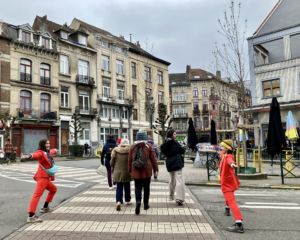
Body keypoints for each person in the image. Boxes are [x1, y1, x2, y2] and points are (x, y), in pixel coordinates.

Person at [25, 139, 57, 223]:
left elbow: (52, 151)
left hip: (46, 178)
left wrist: (56, 150)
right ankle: (31, 216)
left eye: (49, 143)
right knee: (37, 195)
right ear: (42, 144)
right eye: (46, 143)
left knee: (53, 189)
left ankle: (45, 207)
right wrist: (29, 156)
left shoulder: (48, 152)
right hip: (42, 177)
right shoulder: (41, 153)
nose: (48, 144)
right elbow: (35, 155)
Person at [128, 130, 158, 215]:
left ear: (137, 137)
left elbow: (129, 160)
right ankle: (145, 205)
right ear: (145, 137)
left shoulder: (132, 146)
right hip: (147, 171)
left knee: (137, 188)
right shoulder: (148, 146)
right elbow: (153, 159)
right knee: (146, 188)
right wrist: (156, 169)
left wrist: (130, 170)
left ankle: (138, 202)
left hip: (136, 171)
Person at [218, 139, 244, 233]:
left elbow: (230, 161)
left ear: (227, 148)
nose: (220, 148)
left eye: (222, 147)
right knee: (230, 200)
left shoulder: (228, 157)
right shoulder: (224, 156)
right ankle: (227, 209)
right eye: (220, 146)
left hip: (227, 184)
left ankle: (239, 225)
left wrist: (232, 164)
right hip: (229, 182)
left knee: (232, 203)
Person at [160, 129, 186, 206]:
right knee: (179, 180)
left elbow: (163, 151)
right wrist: (183, 147)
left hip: (169, 163)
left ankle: (171, 196)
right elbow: (182, 150)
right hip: (177, 162)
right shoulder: (175, 142)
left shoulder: (165, 143)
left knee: (171, 179)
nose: (175, 135)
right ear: (171, 135)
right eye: (174, 134)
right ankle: (179, 198)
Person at [110, 138, 131, 211]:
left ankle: (118, 201)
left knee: (119, 187)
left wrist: (112, 166)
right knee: (127, 186)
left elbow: (112, 162)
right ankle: (127, 200)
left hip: (117, 172)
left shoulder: (115, 150)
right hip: (127, 172)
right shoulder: (130, 150)